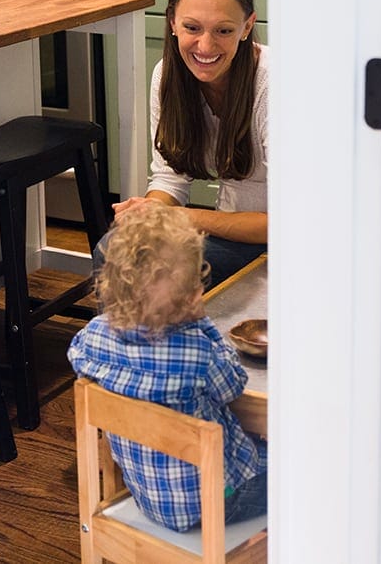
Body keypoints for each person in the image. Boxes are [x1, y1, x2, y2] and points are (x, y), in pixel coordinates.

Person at [68, 203, 267, 531]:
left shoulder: (93, 336)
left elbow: (78, 361)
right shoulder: (198, 353)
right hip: (215, 501)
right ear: (192, 295)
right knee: (293, 463)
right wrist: (202, 324)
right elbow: (233, 384)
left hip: (145, 494)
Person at [99, 0, 268, 285]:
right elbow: (169, 179)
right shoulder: (166, 76)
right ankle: (118, 340)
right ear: (172, 21)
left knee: (162, 275)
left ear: (247, 26)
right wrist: (147, 217)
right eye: (192, 27)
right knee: (115, 250)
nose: (206, 45)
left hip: (288, 244)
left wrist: (179, 217)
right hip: (228, 230)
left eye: (223, 30)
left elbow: (292, 222)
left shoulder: (275, 86)